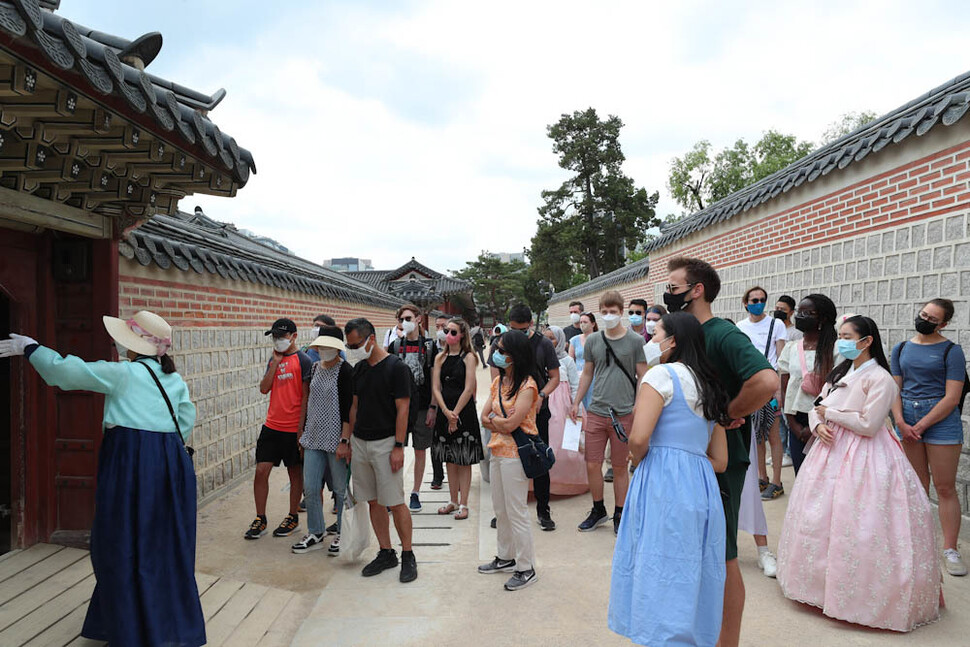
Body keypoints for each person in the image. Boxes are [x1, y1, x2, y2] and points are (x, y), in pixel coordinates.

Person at [0, 312, 205, 646]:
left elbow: (70, 371)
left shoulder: (124, 374)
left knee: (119, 543)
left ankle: (129, 629)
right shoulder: (173, 379)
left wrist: (31, 348)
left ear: (132, 346)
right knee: (164, 545)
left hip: (131, 465)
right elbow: (186, 420)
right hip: (170, 467)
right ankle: (168, 626)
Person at [777, 315, 940, 632]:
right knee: (822, 520)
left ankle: (860, 598)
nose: (841, 341)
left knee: (859, 523)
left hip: (865, 457)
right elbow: (815, 407)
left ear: (867, 341)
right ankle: (819, 590)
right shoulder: (840, 372)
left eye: (848, 336)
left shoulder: (880, 379)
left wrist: (831, 414)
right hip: (829, 451)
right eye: (840, 336)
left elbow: (869, 424)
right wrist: (819, 424)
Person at [663, 257, 778, 647]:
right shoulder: (684, 337)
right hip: (687, 462)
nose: (669, 293)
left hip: (720, 465)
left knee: (724, 555)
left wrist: (730, 412)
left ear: (697, 290)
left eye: (675, 286)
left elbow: (766, 380)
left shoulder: (722, 335)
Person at [609, 312, 729, 647]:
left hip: (662, 479)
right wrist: (688, 458)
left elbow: (637, 438)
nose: (651, 339)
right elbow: (720, 461)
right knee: (693, 566)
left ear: (672, 340)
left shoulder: (660, 375)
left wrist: (646, 460)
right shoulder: (710, 384)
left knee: (656, 562)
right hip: (701, 483)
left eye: (656, 332)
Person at [891, 298, 968, 577]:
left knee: (944, 486)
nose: (924, 320)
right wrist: (900, 421)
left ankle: (950, 548)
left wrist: (920, 425)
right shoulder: (900, 348)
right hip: (906, 418)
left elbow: (952, 397)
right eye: (923, 314)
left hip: (940, 421)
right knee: (916, 483)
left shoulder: (951, 351)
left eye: (932, 318)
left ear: (944, 324)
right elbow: (894, 389)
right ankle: (918, 542)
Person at [341, 318, 417, 583]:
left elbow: (403, 409)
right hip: (361, 442)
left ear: (371, 339)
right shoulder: (358, 370)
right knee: (372, 500)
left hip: (386, 443)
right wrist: (347, 440)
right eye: (349, 346)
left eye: (356, 344)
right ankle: (386, 551)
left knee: (395, 502)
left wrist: (398, 446)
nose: (353, 349)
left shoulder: (397, 369)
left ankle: (408, 553)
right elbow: (353, 407)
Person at [570, 291, 648, 534]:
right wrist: (576, 401)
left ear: (621, 312)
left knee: (620, 466)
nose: (609, 316)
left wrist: (639, 405)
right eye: (604, 311)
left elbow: (643, 374)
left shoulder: (635, 342)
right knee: (592, 464)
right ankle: (598, 509)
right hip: (596, 410)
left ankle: (620, 512)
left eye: (613, 312)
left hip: (624, 412)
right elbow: (587, 373)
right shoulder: (593, 340)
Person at [478, 330, 540, 591]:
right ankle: (505, 556)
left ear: (515, 356)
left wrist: (498, 422)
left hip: (516, 455)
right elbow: (483, 417)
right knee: (500, 509)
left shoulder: (528, 386)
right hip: (497, 452)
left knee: (516, 511)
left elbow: (514, 424)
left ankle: (526, 567)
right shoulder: (497, 383)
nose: (497, 355)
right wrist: (499, 422)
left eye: (502, 351)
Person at [493, 305, 561, 531]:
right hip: (508, 414)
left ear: (530, 324)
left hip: (536, 412)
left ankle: (543, 509)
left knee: (539, 459)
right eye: (513, 329)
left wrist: (541, 395)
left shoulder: (542, 344)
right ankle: (502, 512)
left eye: (522, 330)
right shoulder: (502, 344)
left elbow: (554, 377)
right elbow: (497, 378)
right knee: (506, 460)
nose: (516, 333)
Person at [245, 318, 311, 540]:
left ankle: (292, 516)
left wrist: (301, 430)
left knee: (295, 473)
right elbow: (264, 389)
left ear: (294, 336)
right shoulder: (274, 360)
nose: (278, 340)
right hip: (271, 426)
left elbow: (306, 398)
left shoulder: (304, 361)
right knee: (261, 471)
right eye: (274, 336)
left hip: (293, 429)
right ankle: (260, 517)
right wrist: (274, 363)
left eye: (281, 336)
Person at [292, 327, 351, 556]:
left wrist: (345, 440)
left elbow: (348, 409)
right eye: (322, 346)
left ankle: (342, 533)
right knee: (311, 487)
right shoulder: (315, 368)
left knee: (340, 489)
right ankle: (316, 532)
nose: (325, 350)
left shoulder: (345, 371)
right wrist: (302, 430)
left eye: (329, 346)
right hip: (313, 437)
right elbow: (307, 400)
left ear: (337, 347)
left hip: (336, 438)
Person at [388, 304, 444, 506]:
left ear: (419, 319)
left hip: (421, 405)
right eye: (402, 319)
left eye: (409, 318)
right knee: (396, 449)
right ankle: (395, 493)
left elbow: (434, 379)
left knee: (420, 450)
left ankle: (415, 492)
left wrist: (433, 407)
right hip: (399, 406)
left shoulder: (429, 346)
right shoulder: (394, 346)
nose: (405, 323)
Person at [778, 294, 839, 475]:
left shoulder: (835, 349)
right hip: (796, 422)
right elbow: (786, 386)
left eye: (808, 313)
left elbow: (838, 390)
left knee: (824, 478)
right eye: (799, 312)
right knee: (802, 475)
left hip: (826, 424)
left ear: (823, 318)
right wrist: (793, 425)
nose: (800, 316)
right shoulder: (791, 347)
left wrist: (817, 426)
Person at [736, 286, 787, 500]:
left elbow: (782, 359)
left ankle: (777, 481)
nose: (758, 303)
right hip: (750, 385)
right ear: (745, 302)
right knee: (756, 435)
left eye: (762, 299)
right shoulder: (740, 327)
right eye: (754, 299)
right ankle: (762, 477)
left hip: (770, 384)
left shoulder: (777, 324)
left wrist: (779, 391)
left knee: (774, 435)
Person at [431, 318, 483, 519]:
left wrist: (455, 414)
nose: (448, 335)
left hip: (464, 411)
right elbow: (436, 387)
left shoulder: (469, 357)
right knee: (449, 459)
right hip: (445, 410)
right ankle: (452, 500)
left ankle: (464, 503)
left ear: (462, 335)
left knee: (463, 458)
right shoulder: (439, 358)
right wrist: (445, 411)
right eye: (446, 331)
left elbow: (469, 387)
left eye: (453, 332)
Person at [543, 326, 587, 495]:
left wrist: (576, 405)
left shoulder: (567, 360)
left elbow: (575, 385)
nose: (548, 342)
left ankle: (566, 482)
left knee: (564, 445)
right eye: (545, 338)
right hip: (545, 402)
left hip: (562, 405)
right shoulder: (540, 357)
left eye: (552, 338)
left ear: (560, 340)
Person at [568, 312, 598, 414]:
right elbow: (570, 360)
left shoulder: (599, 339)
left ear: (593, 324)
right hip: (578, 375)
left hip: (595, 375)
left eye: (585, 322)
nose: (582, 324)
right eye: (581, 322)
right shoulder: (574, 340)